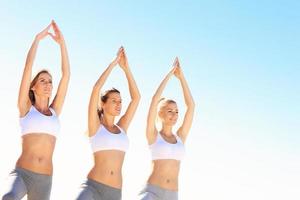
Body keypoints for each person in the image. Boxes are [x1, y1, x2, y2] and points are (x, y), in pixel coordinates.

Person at [2, 20, 70, 200]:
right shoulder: (25, 108)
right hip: (22, 174)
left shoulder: (55, 111)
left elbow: (66, 75)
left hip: (45, 179)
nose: (48, 84)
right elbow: (28, 67)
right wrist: (37, 39)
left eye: (50, 81)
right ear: (33, 87)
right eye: (42, 81)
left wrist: (62, 43)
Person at [76, 47, 140, 200]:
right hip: (92, 188)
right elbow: (96, 88)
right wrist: (114, 63)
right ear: (102, 104)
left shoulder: (122, 127)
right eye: (114, 101)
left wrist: (126, 68)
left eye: (120, 101)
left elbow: (136, 98)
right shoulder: (95, 127)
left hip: (114, 193)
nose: (118, 104)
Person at [139, 57, 195, 200]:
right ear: (160, 113)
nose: (174, 114)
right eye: (170, 111)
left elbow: (191, 106)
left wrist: (181, 77)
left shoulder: (180, 137)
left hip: (172, 195)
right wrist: (170, 74)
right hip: (152, 193)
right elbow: (154, 99)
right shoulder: (153, 135)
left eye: (176, 111)